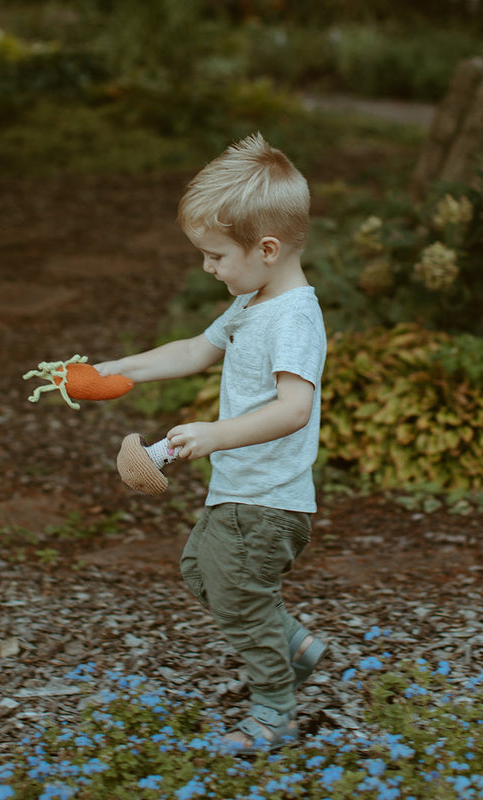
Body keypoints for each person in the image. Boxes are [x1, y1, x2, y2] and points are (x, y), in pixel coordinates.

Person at [94, 132, 327, 753]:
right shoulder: (253, 302)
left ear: (268, 248)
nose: (208, 266)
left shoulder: (294, 318)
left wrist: (213, 434)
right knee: (202, 572)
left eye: (216, 254)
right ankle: (294, 645)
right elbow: (196, 351)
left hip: (270, 499)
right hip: (244, 489)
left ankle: (274, 709)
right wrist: (118, 371)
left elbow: (295, 408)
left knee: (236, 593)